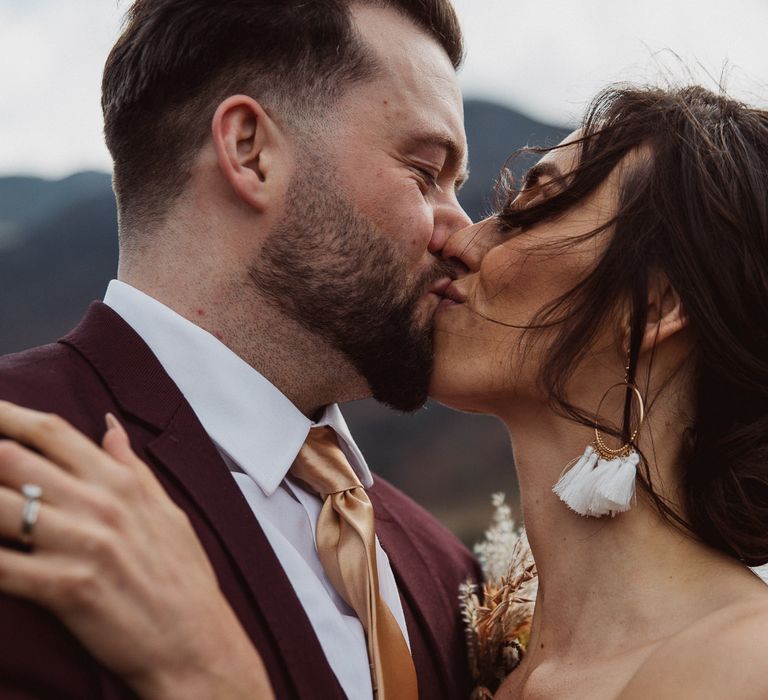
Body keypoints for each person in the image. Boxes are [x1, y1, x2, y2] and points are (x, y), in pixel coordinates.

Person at [2, 81, 768, 699]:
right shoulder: (482, 638)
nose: (462, 240)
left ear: (656, 306)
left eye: (531, 204)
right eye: (423, 175)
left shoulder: (743, 664)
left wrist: (208, 675)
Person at [0, 1, 482, 699]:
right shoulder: (23, 460)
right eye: (425, 171)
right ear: (250, 150)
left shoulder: (447, 572)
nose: (462, 233)